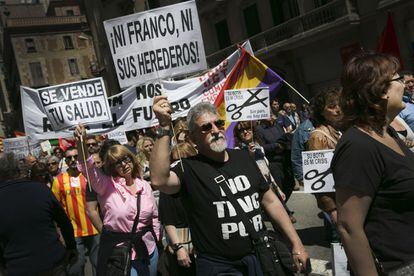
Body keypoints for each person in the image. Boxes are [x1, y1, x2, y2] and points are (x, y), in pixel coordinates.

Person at [150, 97, 309, 275]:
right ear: (192, 137)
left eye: (219, 123)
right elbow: (159, 180)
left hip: (260, 257)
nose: (216, 130)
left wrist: (296, 243)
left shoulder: (243, 158)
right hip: (219, 266)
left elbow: (270, 202)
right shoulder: (188, 168)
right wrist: (164, 127)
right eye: (206, 127)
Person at [332, 52, 414, 275]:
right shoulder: (358, 146)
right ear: (381, 89)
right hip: (398, 267)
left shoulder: (389, 134)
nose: (405, 83)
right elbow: (349, 227)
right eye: (398, 78)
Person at [74, 125, 160, 276]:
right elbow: (87, 166)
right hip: (120, 253)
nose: (124, 164)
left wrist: (157, 237)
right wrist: (81, 142)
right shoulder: (105, 186)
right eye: (117, 163)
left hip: (148, 250)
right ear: (111, 167)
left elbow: (154, 216)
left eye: (125, 159)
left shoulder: (144, 185)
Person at [0, 152, 78, 275]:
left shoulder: (40, 188)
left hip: (18, 267)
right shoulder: (40, 189)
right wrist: (71, 247)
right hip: (52, 262)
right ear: (19, 171)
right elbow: (64, 222)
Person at [52, 147, 100, 276]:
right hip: (73, 231)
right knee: (75, 268)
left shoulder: (89, 176)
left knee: (99, 265)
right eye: (69, 157)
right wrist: (60, 233)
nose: (73, 160)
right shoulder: (58, 181)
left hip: (94, 228)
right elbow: (55, 210)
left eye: (76, 156)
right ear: (65, 160)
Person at [307, 87, 342, 242]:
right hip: (336, 202)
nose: (337, 110)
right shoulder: (317, 137)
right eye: (331, 106)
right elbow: (318, 181)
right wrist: (332, 210)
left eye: (339, 105)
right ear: (321, 112)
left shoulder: (340, 130)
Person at [158, 142, 198, 276]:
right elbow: (168, 220)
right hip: (183, 246)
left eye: (184, 160)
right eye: (175, 160)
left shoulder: (200, 181)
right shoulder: (168, 188)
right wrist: (179, 247)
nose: (179, 165)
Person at [256, 117, 296, 200]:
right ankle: (281, 209)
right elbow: (261, 147)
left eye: (270, 112)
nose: (270, 115)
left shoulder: (277, 125)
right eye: (267, 112)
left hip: (285, 160)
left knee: (290, 184)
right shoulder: (258, 129)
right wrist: (276, 146)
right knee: (278, 189)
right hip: (273, 162)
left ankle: (283, 206)